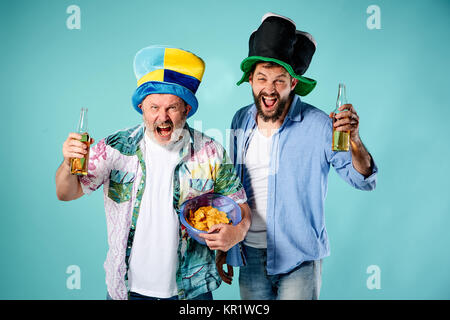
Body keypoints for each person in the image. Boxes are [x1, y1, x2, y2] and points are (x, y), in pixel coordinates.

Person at [55, 45, 250, 300]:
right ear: (142, 109)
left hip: (191, 292)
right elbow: (65, 192)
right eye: (154, 107)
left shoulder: (211, 151)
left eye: (172, 107)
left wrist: (237, 232)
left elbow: (241, 207)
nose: (163, 117)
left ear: (187, 110)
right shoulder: (115, 148)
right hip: (127, 290)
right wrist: (68, 162)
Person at [229, 13, 378, 300]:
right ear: (250, 80)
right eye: (262, 78)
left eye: (279, 81)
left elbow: (362, 180)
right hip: (249, 255)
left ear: (293, 83)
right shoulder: (240, 120)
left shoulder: (321, 125)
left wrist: (355, 141)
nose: (269, 89)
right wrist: (228, 250)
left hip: (299, 260)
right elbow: (232, 187)